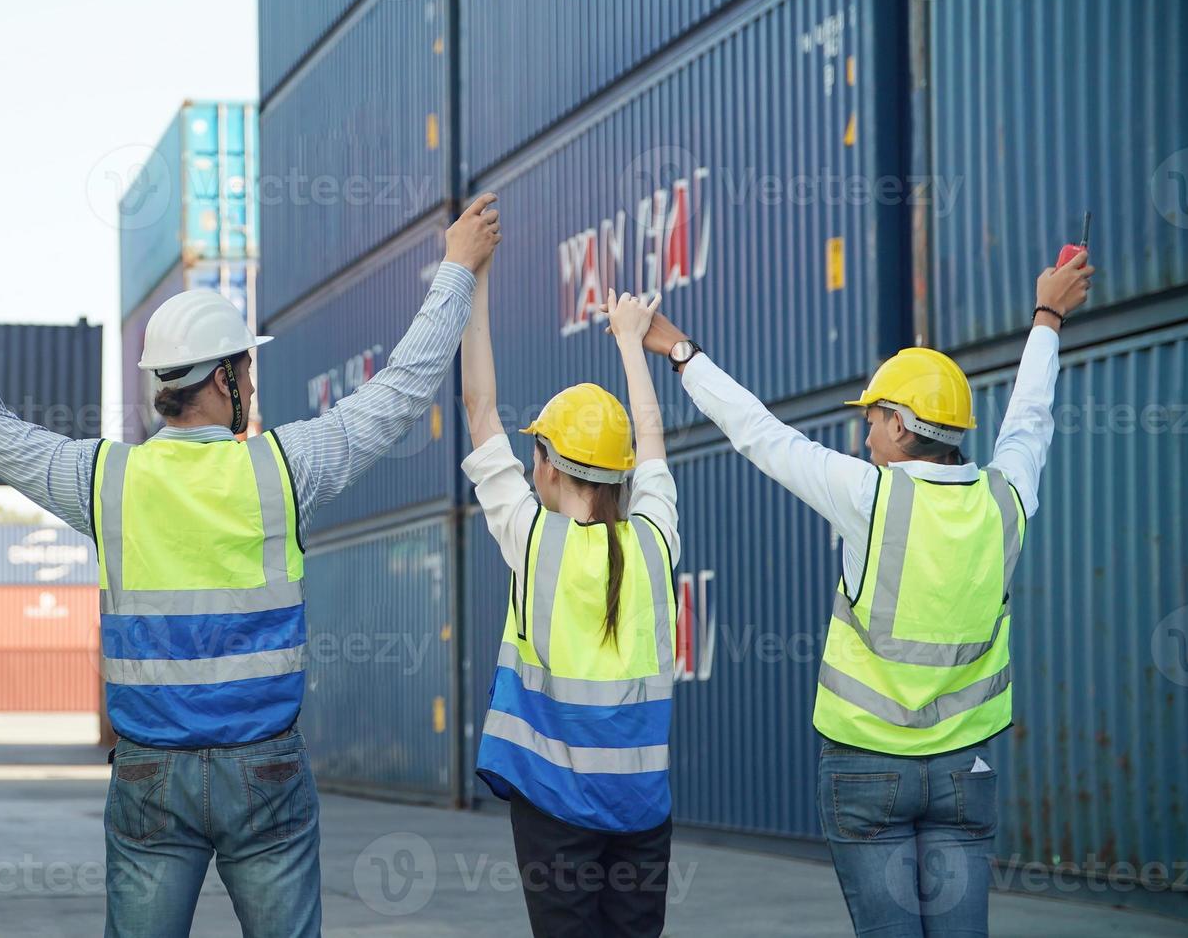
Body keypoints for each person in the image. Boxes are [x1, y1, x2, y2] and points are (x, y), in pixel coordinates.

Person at [0, 193, 502, 937]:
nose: (253, 386)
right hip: (264, 769)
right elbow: (400, 390)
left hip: (148, 775)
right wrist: (457, 267)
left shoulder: (104, 482)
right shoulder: (284, 469)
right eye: (246, 370)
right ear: (224, 378)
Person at [643, 250, 1094, 935]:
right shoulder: (1006, 500)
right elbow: (1030, 417)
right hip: (962, 773)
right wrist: (1047, 314)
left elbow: (760, 435)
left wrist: (678, 350)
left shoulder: (869, 496)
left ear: (902, 426)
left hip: (865, 773)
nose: (864, 431)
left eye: (874, 417)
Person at [461, 267, 681, 936]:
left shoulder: (531, 541)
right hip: (641, 810)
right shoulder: (654, 543)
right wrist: (628, 339)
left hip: (555, 813)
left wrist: (473, 286)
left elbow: (478, 408)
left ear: (548, 466)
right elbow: (650, 438)